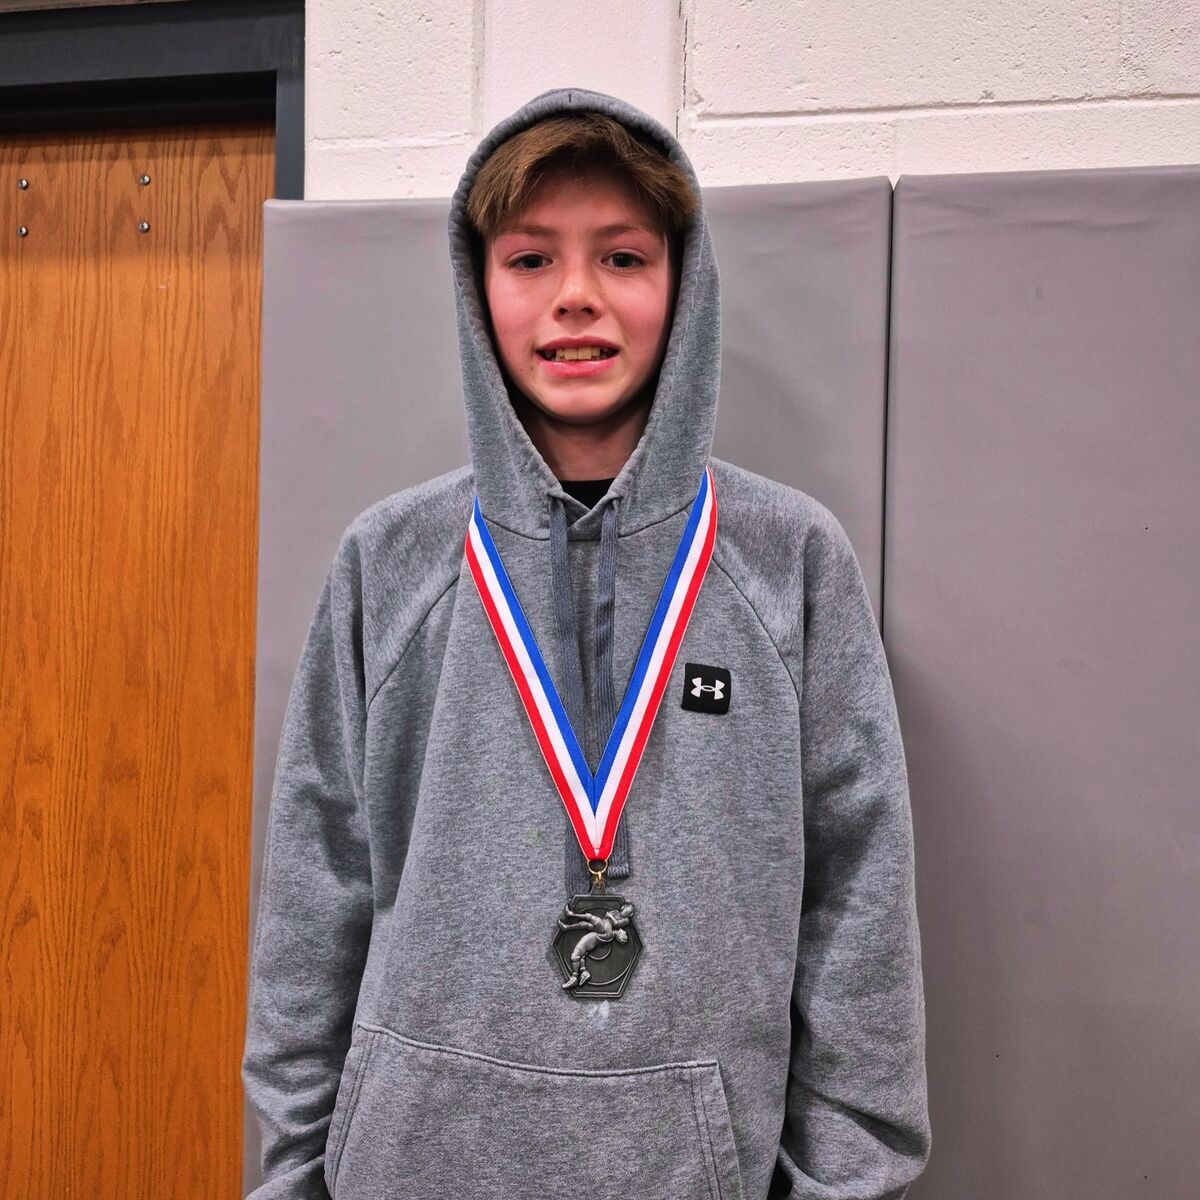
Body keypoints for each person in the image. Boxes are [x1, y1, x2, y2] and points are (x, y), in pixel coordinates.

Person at [241, 86, 931, 1200]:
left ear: (683, 287)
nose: (575, 296)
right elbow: (314, 894)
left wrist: (845, 1181)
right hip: (413, 1166)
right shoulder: (390, 560)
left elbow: (862, 901)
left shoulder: (789, 559)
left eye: (622, 257)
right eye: (530, 259)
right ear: (477, 288)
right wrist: (291, 1175)